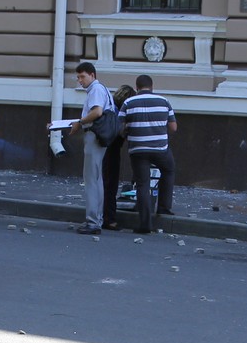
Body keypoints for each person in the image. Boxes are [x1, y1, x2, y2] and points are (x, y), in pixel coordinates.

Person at [121, 74, 178, 233]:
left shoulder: (128, 103)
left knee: (142, 184)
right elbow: (173, 127)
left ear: (136, 87)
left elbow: (120, 128)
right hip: (160, 149)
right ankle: (164, 207)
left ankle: (145, 225)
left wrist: (130, 132)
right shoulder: (164, 101)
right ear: (152, 87)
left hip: (137, 149)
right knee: (169, 170)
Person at [65, 61, 114, 235]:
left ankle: (93, 221)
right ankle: (96, 219)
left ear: (92, 75)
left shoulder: (96, 89)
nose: (80, 80)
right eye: (78, 77)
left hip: (94, 134)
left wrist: (79, 122)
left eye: (82, 76)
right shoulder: (101, 89)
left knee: (91, 179)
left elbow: (97, 112)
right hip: (99, 135)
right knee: (96, 178)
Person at [99, 84, 134, 231]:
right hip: (111, 150)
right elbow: (119, 134)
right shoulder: (119, 114)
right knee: (110, 184)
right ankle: (109, 219)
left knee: (105, 183)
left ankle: (103, 216)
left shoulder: (109, 108)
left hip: (103, 148)